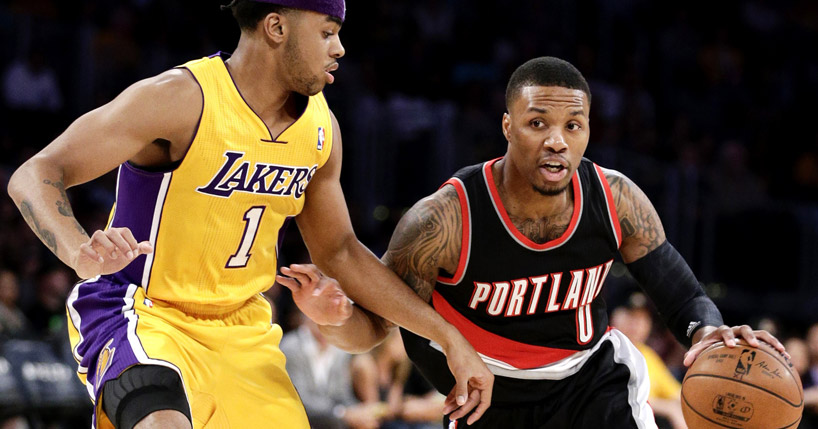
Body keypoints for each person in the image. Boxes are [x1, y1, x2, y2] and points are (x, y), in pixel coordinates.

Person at [6, 1, 493, 428]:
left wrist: (449, 337)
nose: (340, 48)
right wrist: (79, 251)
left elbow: (341, 252)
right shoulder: (180, 98)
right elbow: (35, 173)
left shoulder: (322, 129)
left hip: (243, 329)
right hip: (143, 310)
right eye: (327, 32)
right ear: (276, 27)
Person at [278, 56, 788, 428]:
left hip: (591, 381)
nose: (557, 141)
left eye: (573, 125)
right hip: (484, 393)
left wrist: (708, 333)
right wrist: (334, 318)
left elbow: (682, 296)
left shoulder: (616, 200)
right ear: (508, 126)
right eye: (537, 123)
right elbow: (373, 329)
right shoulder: (444, 220)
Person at [610, 294, 685, 429]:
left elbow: (676, 394)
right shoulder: (608, 352)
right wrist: (668, 408)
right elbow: (619, 398)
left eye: (643, 319)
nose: (637, 325)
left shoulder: (647, 354)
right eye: (631, 316)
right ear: (615, 317)